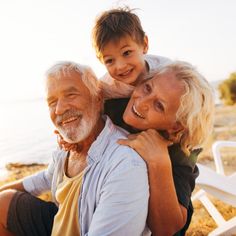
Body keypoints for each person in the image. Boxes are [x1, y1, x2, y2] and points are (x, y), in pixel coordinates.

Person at [90, 7, 209, 235]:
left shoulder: (179, 145)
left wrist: (159, 161)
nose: (141, 102)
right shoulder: (110, 97)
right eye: (146, 87)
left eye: (159, 105)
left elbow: (169, 228)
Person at [0, 61, 150, 236]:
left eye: (71, 95)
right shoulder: (68, 147)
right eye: (52, 101)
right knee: (3, 203)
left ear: (98, 97)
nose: (60, 109)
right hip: (59, 225)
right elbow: (45, 178)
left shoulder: (125, 164)